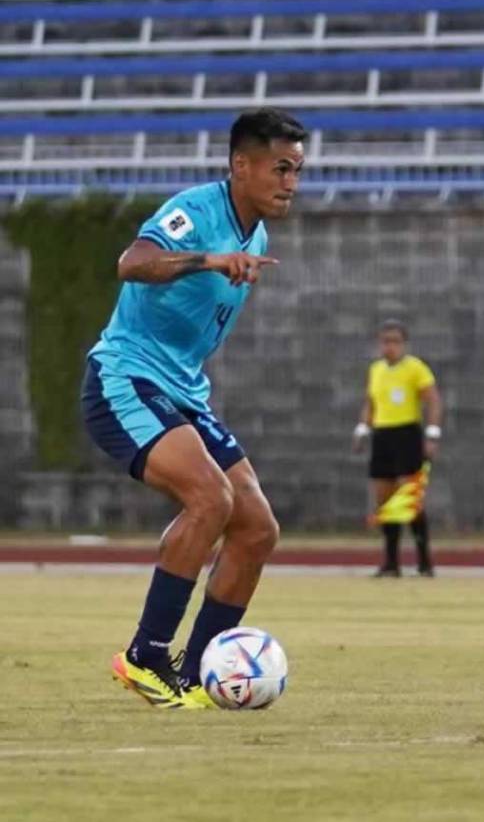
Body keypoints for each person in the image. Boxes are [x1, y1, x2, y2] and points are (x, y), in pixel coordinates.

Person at [83, 108, 307, 708]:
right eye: (281, 168)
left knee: (257, 528)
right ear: (241, 165)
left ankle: (195, 675)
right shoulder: (198, 212)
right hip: (125, 377)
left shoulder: (254, 231)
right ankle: (145, 655)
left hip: (182, 390)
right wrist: (207, 259)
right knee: (212, 499)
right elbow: (132, 263)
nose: (291, 181)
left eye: (298, 170)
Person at [352, 321, 443, 577]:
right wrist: (362, 428)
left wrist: (432, 433)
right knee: (384, 499)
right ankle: (391, 563)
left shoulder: (415, 369)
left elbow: (433, 399)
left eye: (394, 341)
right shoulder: (376, 369)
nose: (389, 347)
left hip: (407, 434)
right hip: (383, 435)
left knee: (409, 498)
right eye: (385, 341)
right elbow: (371, 403)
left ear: (403, 344)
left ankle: (425, 561)